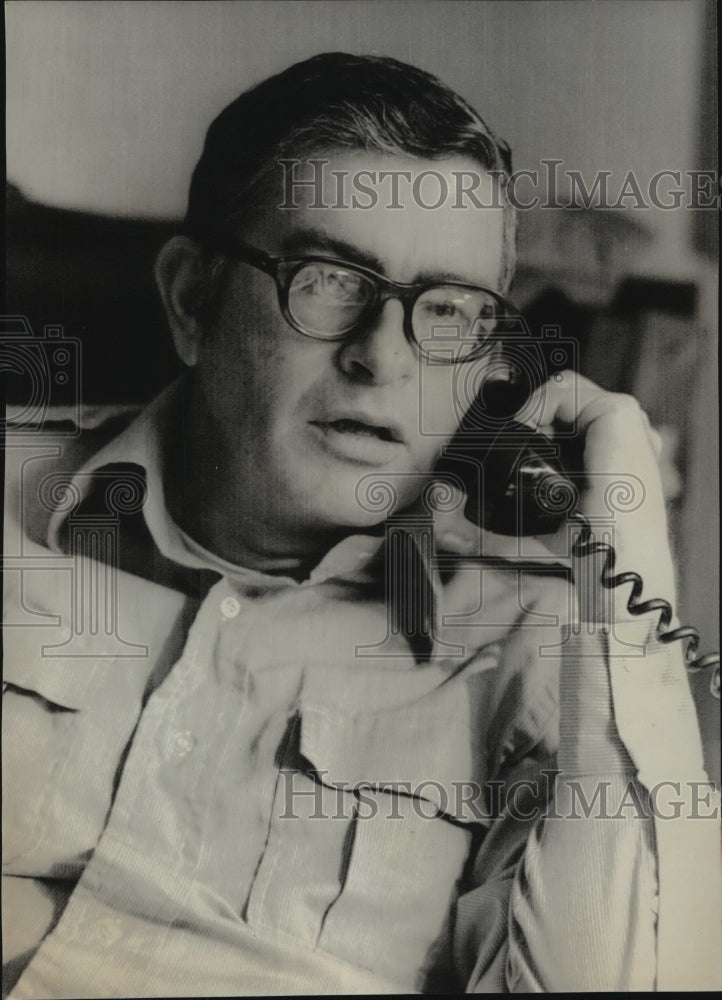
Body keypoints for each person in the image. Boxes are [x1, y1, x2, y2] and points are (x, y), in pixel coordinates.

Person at [3, 53, 719, 996]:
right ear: (190, 299)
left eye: (451, 311)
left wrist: (621, 571)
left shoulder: (536, 647)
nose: (383, 356)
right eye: (330, 279)